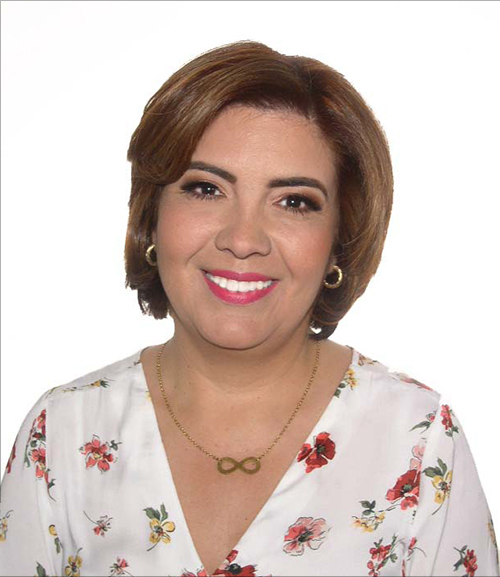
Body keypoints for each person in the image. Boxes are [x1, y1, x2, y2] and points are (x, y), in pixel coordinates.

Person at [1, 40, 498, 577]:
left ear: (339, 241)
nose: (243, 240)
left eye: (294, 202)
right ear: (152, 217)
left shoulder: (419, 441)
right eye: (206, 189)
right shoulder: (63, 432)